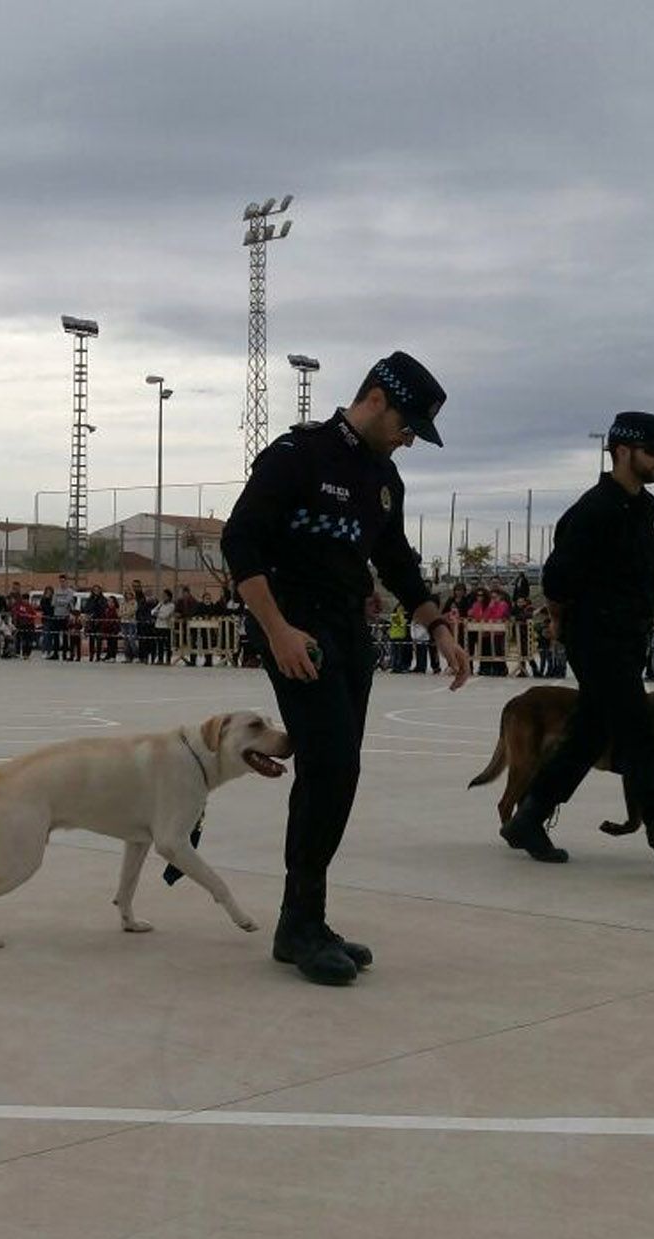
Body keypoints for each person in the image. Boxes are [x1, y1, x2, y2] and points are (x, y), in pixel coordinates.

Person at [222, 350, 468, 986]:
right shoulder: (296, 454)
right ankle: (299, 924)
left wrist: (437, 625)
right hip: (294, 625)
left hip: (347, 632)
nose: (410, 437)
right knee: (330, 765)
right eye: (407, 422)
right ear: (377, 399)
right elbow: (239, 541)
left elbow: (395, 559)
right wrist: (275, 630)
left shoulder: (384, 478)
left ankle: (305, 917)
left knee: (339, 772)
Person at [498, 411, 654, 878]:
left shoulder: (651, 510)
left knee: (587, 736)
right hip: (596, 641)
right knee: (639, 737)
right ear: (621, 451)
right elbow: (557, 579)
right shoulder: (592, 511)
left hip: (630, 640)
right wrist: (563, 623)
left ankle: (528, 818)